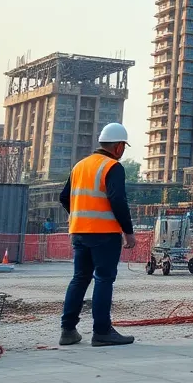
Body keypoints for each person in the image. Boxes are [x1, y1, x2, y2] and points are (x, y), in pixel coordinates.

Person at [59, 122, 137, 346]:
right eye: (123, 147)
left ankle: (68, 330)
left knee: (80, 278)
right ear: (118, 146)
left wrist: (78, 215)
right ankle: (102, 332)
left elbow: (64, 197)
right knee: (103, 279)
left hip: (79, 232)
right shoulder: (112, 166)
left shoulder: (80, 166)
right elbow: (118, 200)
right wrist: (128, 232)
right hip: (104, 233)